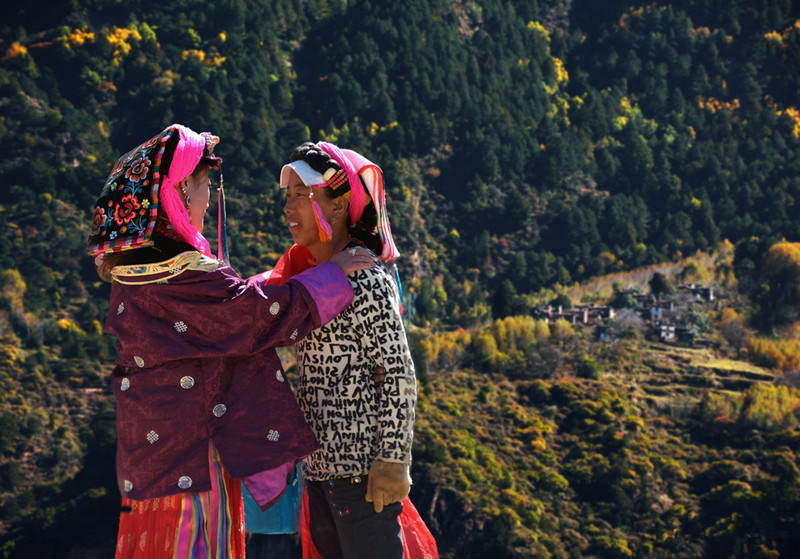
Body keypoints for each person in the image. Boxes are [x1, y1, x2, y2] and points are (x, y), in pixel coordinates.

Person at [87, 124, 374, 558]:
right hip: (195, 454)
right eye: (203, 187)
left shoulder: (130, 273)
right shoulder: (188, 274)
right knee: (198, 541)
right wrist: (332, 275)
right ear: (180, 192)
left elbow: (224, 310)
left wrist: (284, 279)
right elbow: (249, 316)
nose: (207, 199)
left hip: (150, 448)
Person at [266, 141, 420, 559]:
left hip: (362, 474)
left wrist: (393, 459)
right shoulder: (315, 278)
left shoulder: (364, 277)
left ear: (337, 206)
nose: (289, 207)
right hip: (321, 472)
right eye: (289, 196)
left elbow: (397, 371)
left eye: (303, 195)